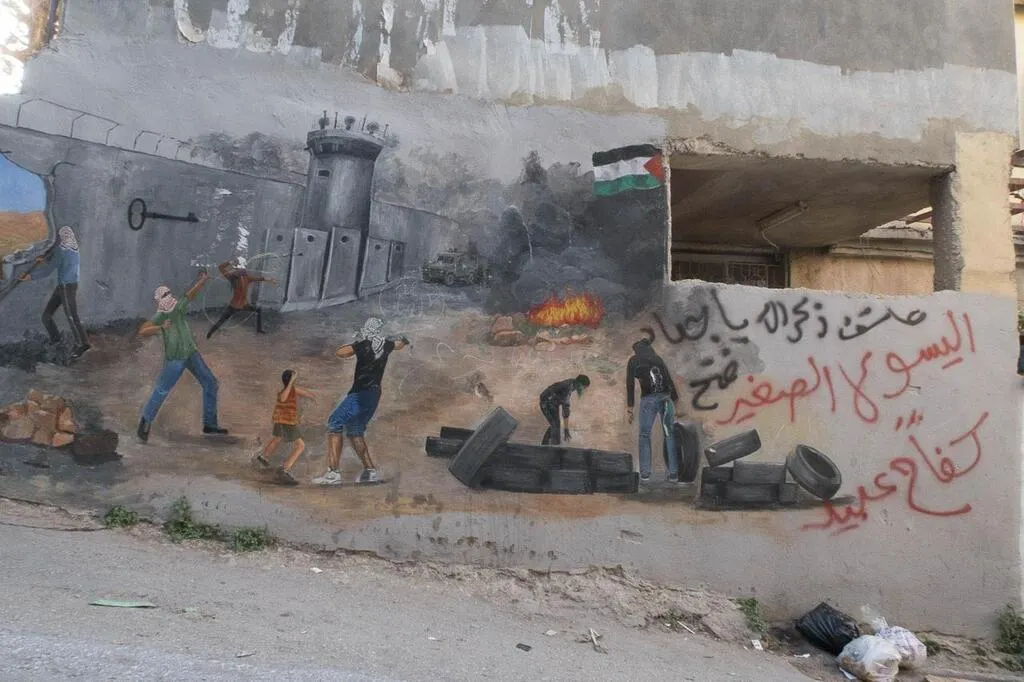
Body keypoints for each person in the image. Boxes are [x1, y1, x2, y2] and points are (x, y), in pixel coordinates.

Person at [313, 318, 409, 485]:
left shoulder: (363, 345)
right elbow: (399, 345)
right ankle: (370, 471)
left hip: (360, 393)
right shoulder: (386, 345)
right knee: (355, 431)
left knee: (334, 422)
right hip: (374, 394)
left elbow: (340, 353)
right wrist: (404, 340)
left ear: (367, 330)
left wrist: (358, 340)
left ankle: (333, 473)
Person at [136, 270, 227, 443]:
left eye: (169, 293)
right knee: (162, 389)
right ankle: (145, 423)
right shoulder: (162, 314)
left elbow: (189, 295)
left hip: (191, 353)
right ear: (160, 300)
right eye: (165, 295)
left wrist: (202, 281)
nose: (169, 296)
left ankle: (210, 424)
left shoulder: (177, 308)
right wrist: (160, 327)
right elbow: (142, 330)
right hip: (175, 358)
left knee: (210, 382)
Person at [17, 226, 90, 359]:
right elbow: (56, 257)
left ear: (62, 238)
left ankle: (82, 344)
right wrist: (45, 258)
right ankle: (56, 340)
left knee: (71, 316)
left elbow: (48, 270)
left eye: (59, 237)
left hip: (66, 287)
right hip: (65, 286)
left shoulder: (63, 251)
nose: (58, 239)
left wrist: (30, 276)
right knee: (47, 316)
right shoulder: (73, 248)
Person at [625, 337, 680, 483]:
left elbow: (630, 384)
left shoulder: (634, 361)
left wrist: (630, 408)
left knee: (644, 435)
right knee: (669, 434)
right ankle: (673, 473)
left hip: (649, 399)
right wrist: (676, 401)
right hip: (666, 398)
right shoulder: (657, 359)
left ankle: (645, 473)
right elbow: (668, 379)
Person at [252, 369, 316, 485]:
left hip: (281, 420)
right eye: (293, 378)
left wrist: (312, 396)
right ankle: (284, 469)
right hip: (287, 422)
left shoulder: (292, 389)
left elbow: (307, 394)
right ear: (290, 380)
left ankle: (264, 457)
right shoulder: (285, 391)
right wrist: (291, 382)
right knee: (300, 445)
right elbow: (283, 398)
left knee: (277, 438)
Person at [206, 257, 275, 339]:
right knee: (222, 320)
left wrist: (270, 279)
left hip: (244, 305)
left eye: (243, 268)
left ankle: (259, 330)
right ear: (237, 270)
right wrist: (230, 262)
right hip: (234, 306)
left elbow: (259, 279)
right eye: (241, 268)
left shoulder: (247, 278)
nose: (243, 270)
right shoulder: (232, 277)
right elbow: (220, 267)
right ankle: (210, 333)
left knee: (258, 310)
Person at [539, 374, 590, 445]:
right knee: (555, 425)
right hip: (546, 402)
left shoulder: (572, 383)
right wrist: (566, 429)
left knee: (556, 424)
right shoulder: (569, 386)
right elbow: (565, 407)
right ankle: (552, 445)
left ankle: (546, 445)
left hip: (553, 403)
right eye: (583, 387)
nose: (583, 390)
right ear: (579, 384)